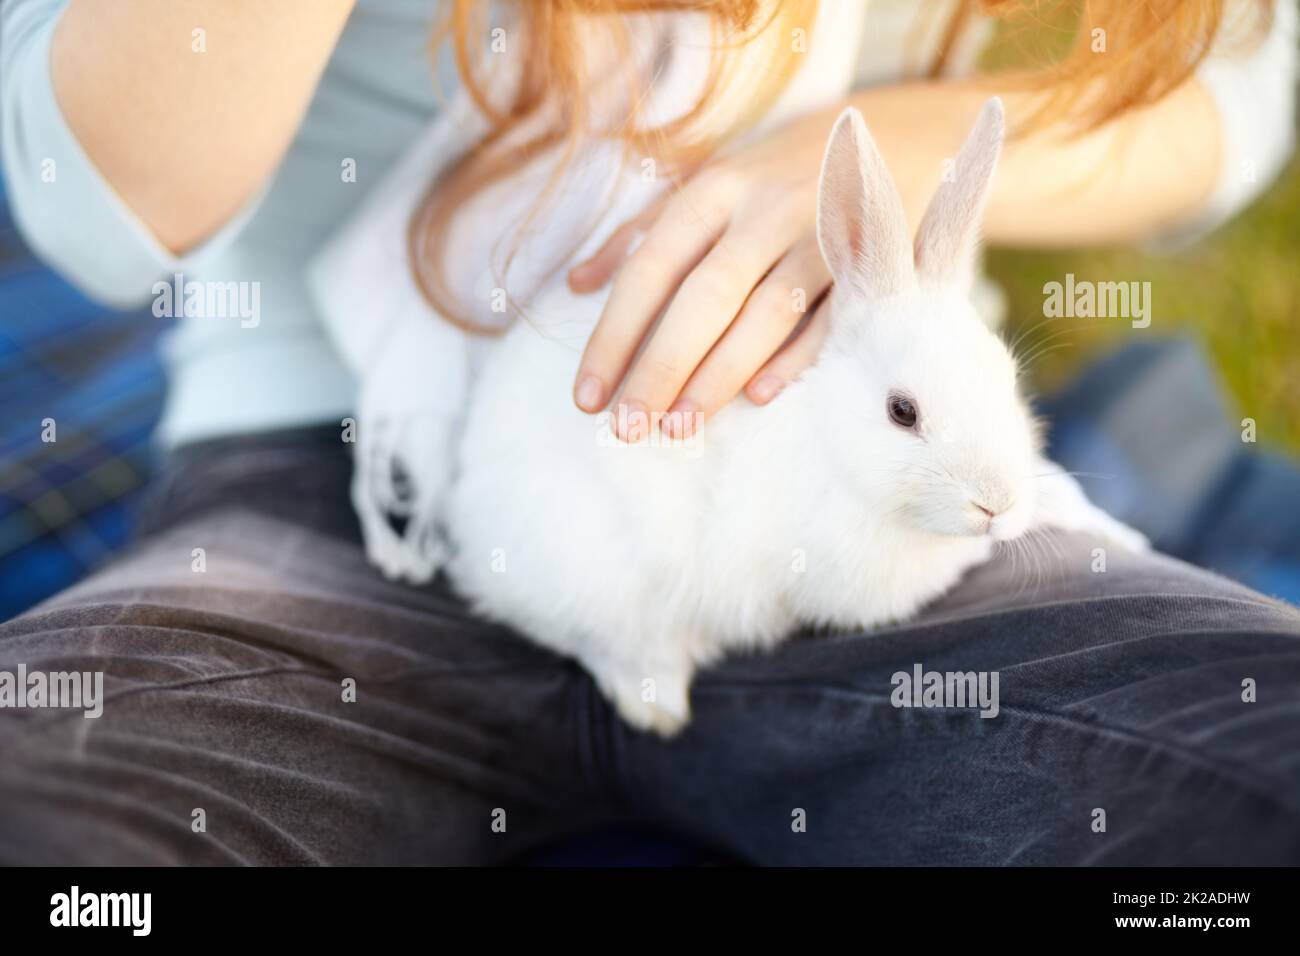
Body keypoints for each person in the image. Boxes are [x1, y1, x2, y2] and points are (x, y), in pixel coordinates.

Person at [0, 0, 1297, 865]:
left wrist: (882, 150)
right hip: (353, 471)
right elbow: (87, 201)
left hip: (851, 481)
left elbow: (1234, 95)